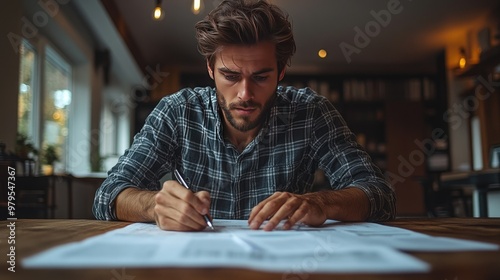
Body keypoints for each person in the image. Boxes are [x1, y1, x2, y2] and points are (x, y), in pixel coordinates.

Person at [93, 0, 396, 231]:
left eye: (261, 77)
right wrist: (153, 206)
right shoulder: (177, 112)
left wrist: (320, 202)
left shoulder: (312, 113)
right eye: (230, 76)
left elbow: (379, 195)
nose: (245, 94)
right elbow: (108, 195)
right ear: (210, 69)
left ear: (281, 72)